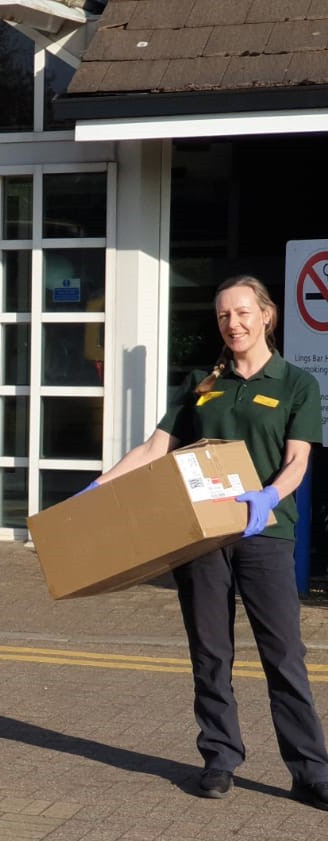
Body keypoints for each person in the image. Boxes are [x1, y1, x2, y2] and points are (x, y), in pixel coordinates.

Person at [92, 275, 328, 805]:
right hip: (198, 533)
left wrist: (268, 497)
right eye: (224, 316)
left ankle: (311, 769)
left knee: (284, 653)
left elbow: (298, 461)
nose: (233, 324)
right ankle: (220, 758)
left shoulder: (294, 383)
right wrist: (101, 487)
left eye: (243, 313)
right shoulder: (202, 382)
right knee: (210, 651)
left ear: (266, 316)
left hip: (264, 531)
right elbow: (155, 448)